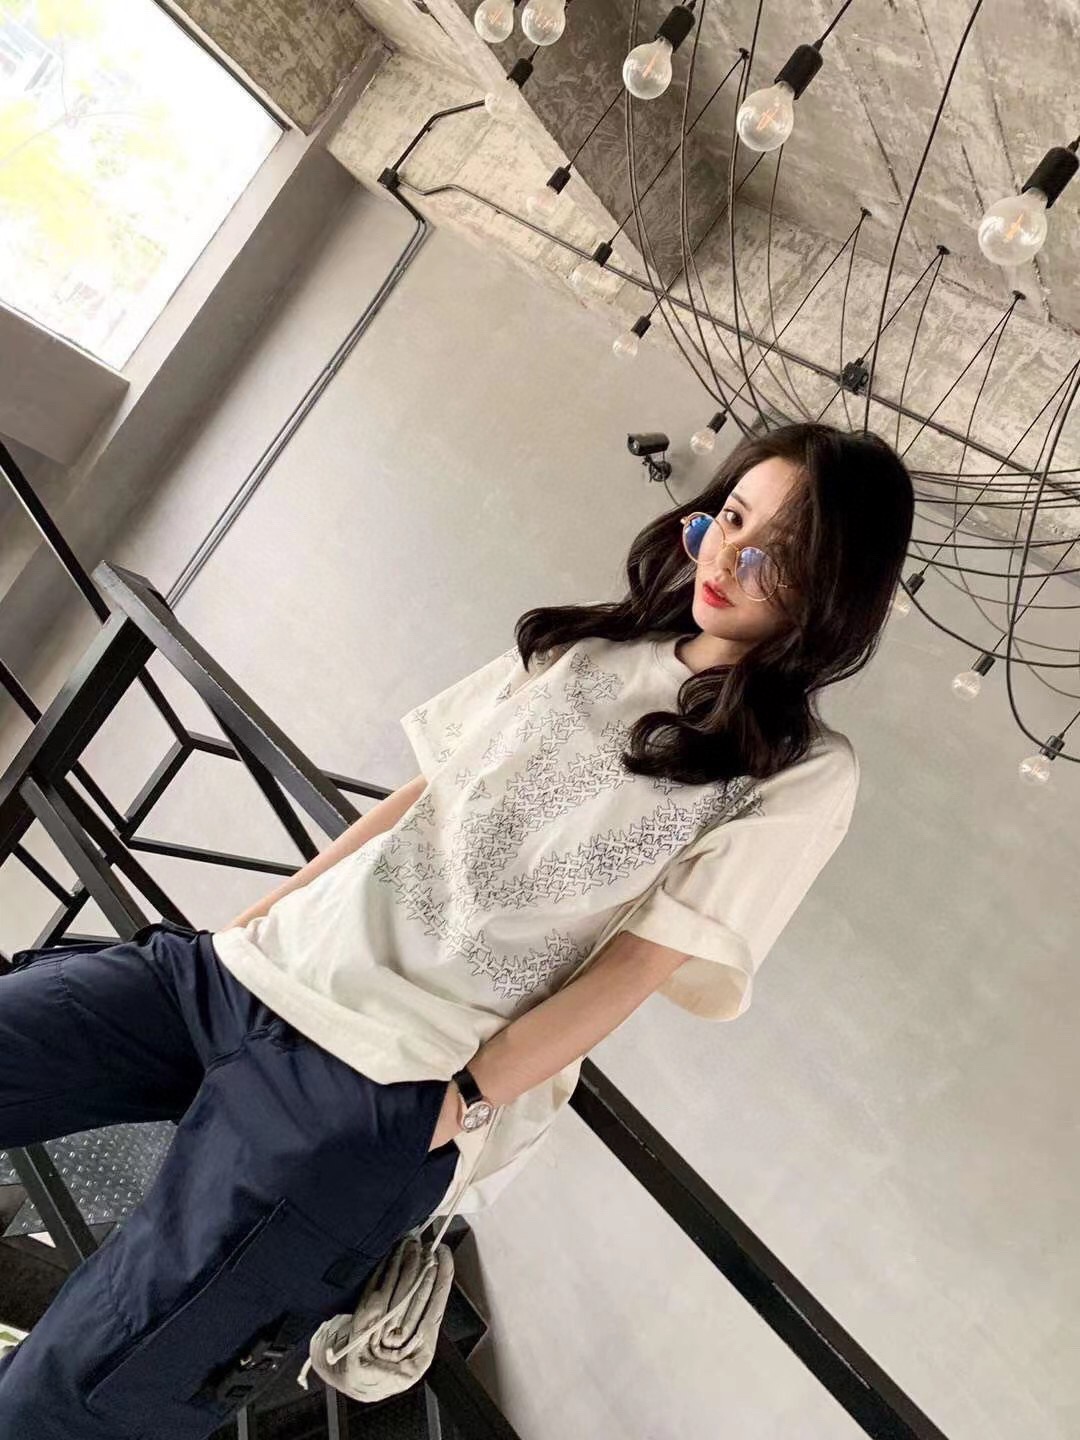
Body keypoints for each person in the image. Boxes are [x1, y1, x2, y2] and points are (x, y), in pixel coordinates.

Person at [0, 421, 914, 1437]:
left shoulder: (799, 772)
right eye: (732, 519)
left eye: (779, 556)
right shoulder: (591, 647)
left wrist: (465, 1098)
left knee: (71, 1392)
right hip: (236, 975)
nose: (730, 560)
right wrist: (254, 919)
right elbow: (423, 798)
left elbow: (638, 965)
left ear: (834, 593)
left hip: (374, 1081)